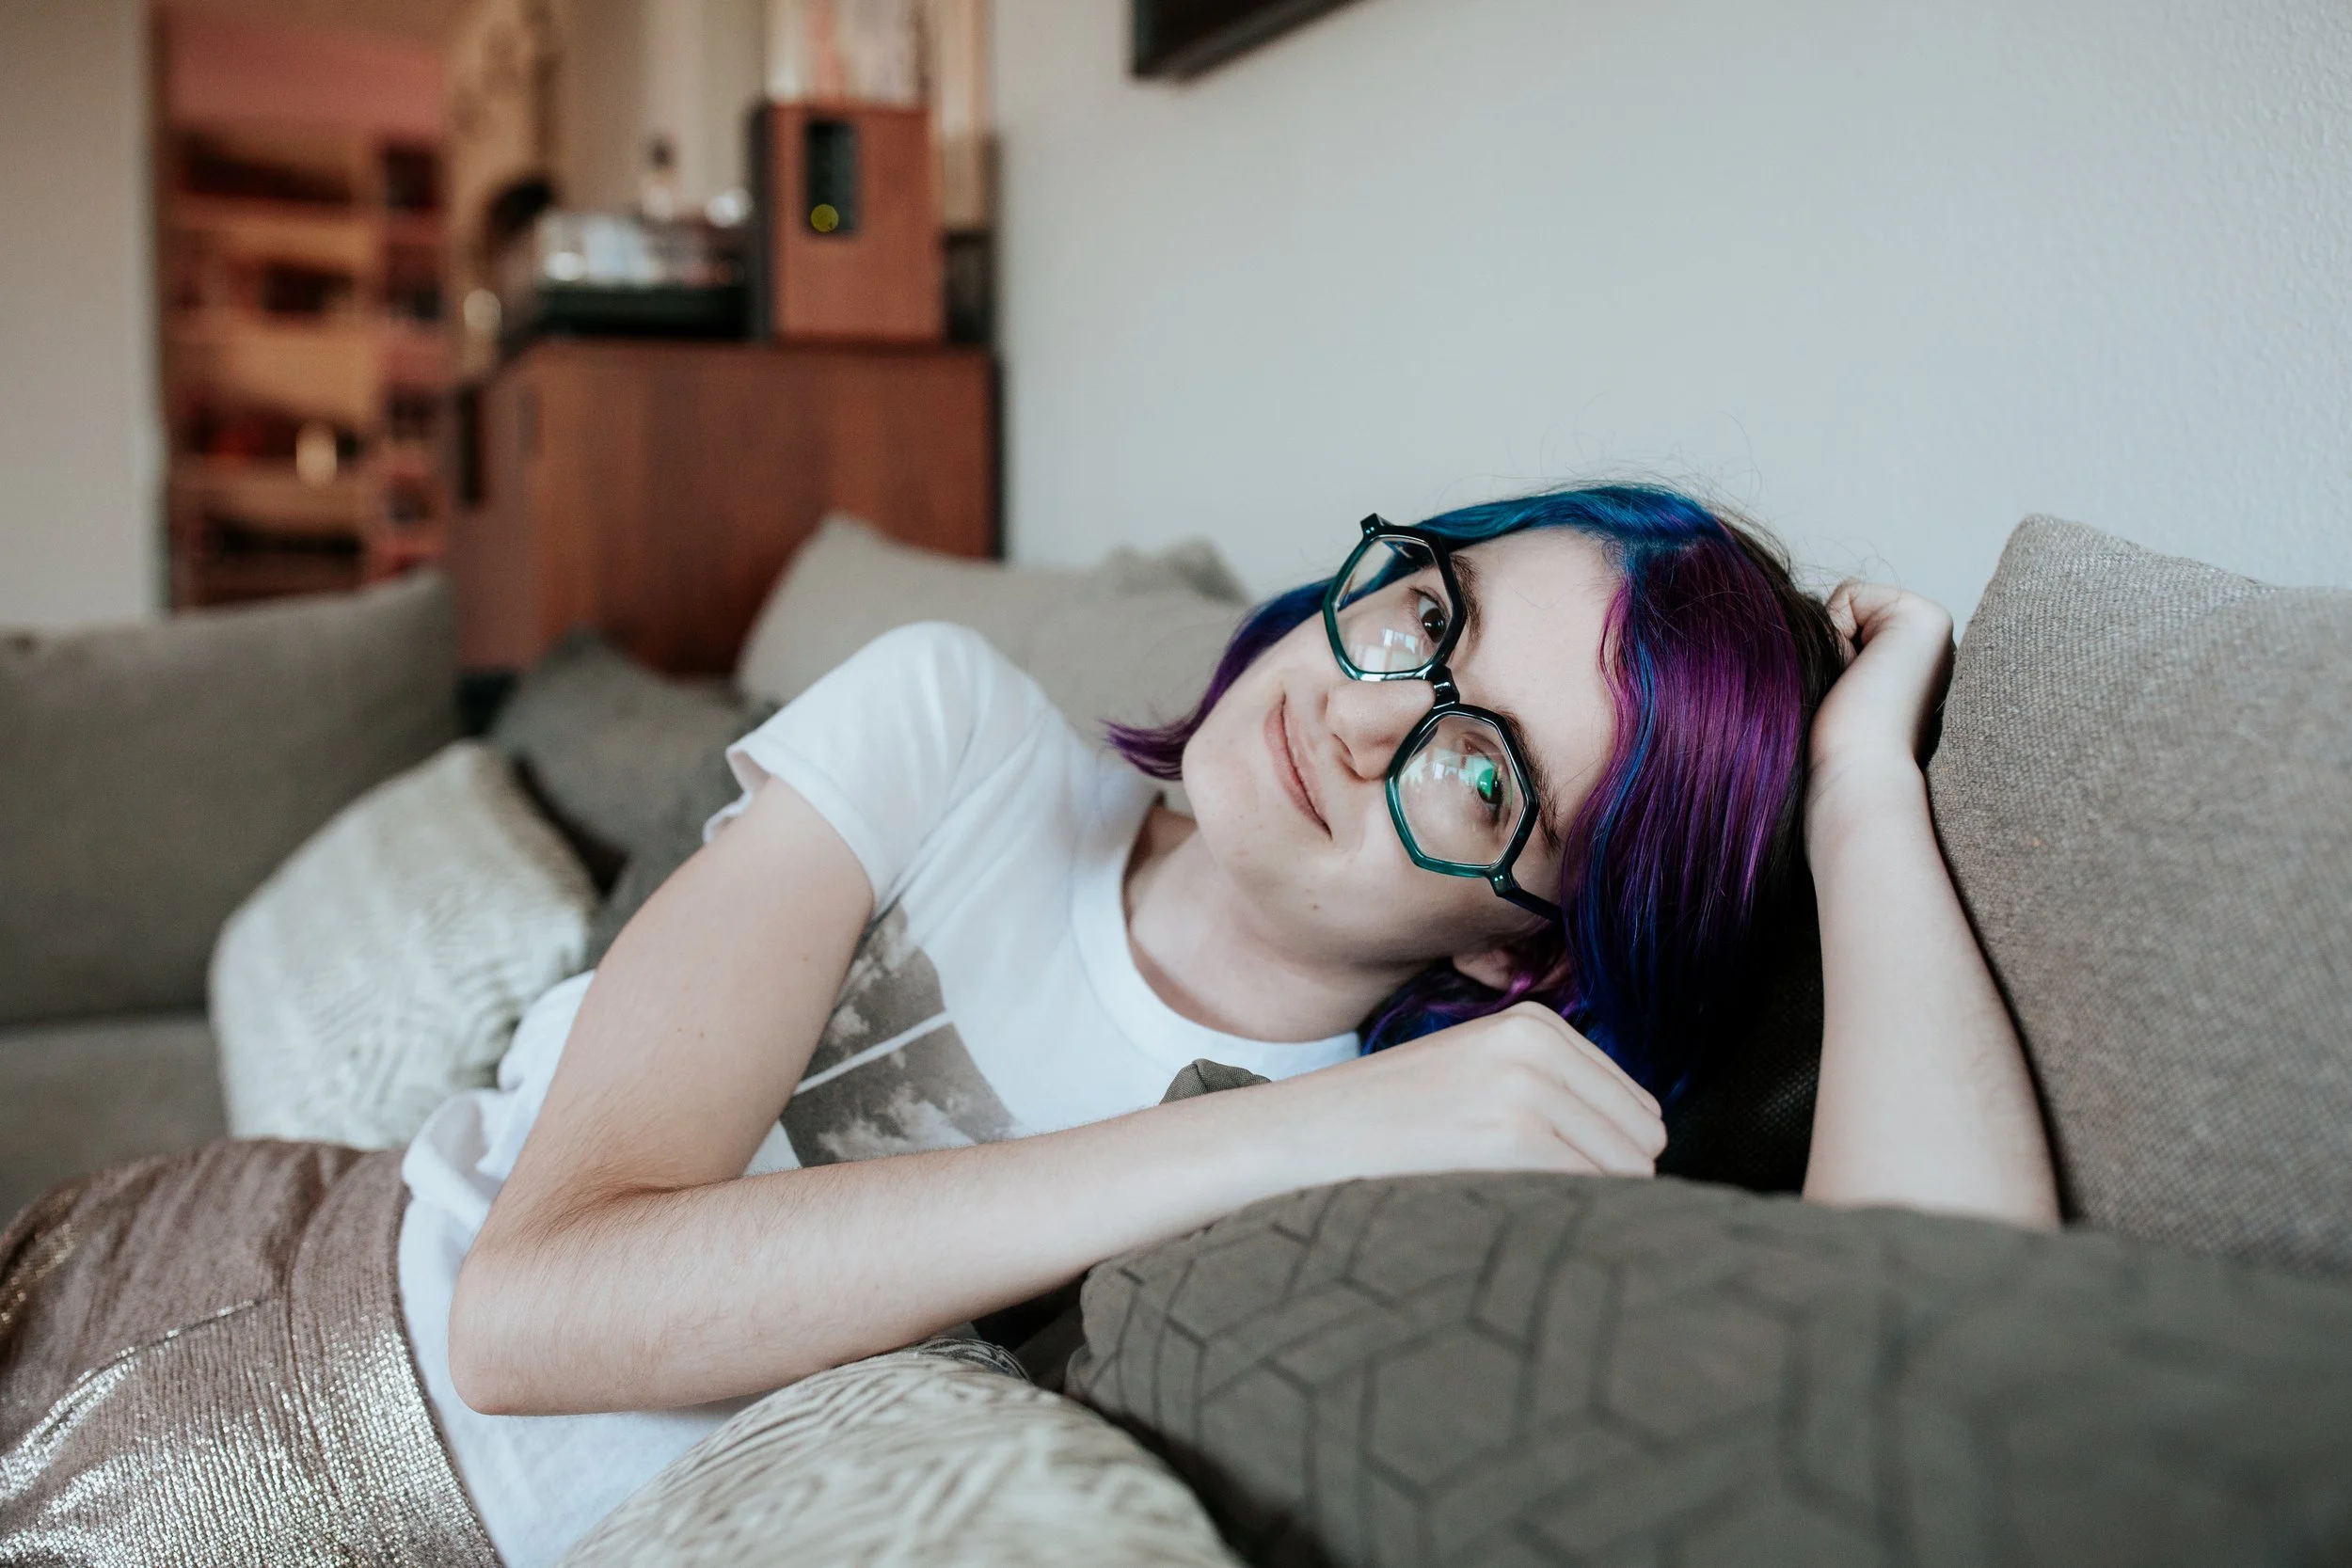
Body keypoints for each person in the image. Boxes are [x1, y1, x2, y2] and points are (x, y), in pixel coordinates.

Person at [0, 485, 2058, 1565]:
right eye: (1425, 611)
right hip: (225, 1346)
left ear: (1530, 950)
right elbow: (532, 1308)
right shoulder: (951, 727)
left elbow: (1950, 1348)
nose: (1363, 711)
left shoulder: (1457, 1117)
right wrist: (1276, 1133)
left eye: (1480, 768)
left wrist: (1859, 796)